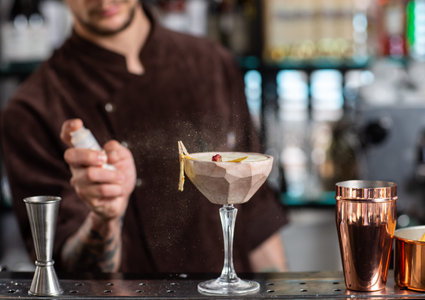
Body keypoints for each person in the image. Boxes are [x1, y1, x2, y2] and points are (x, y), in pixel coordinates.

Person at [0, 0, 288, 273]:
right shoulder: (32, 109)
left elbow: (256, 217)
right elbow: (67, 266)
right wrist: (104, 218)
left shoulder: (212, 62)